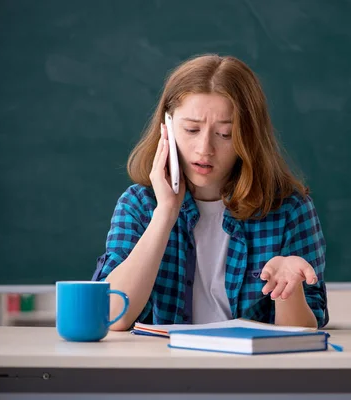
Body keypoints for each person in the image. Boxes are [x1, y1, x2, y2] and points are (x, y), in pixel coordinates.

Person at [91, 54, 329, 331]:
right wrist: (165, 214)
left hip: (251, 370)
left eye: (225, 134)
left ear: (249, 137)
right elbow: (110, 317)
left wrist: (290, 287)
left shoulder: (289, 208)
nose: (205, 148)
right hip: (165, 368)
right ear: (166, 128)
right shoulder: (138, 204)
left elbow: (304, 332)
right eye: (191, 129)